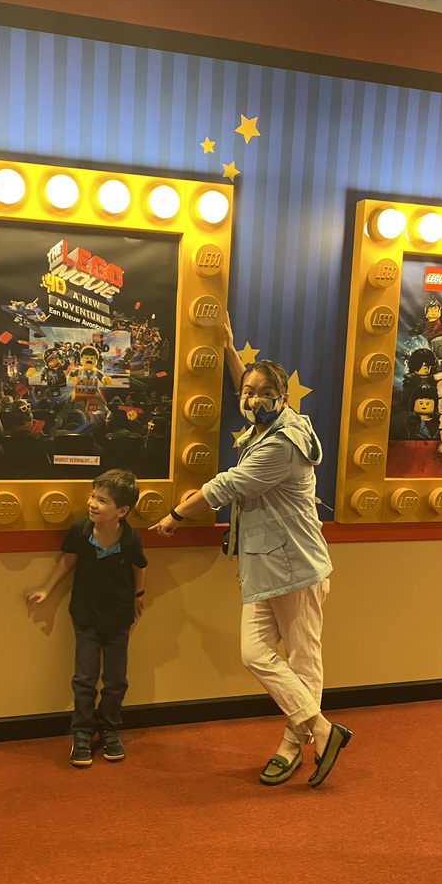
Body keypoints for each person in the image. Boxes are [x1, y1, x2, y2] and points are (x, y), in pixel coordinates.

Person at [150, 315, 352, 788]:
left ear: (282, 398)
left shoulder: (281, 444)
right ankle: (322, 731)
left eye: (265, 393)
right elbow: (247, 385)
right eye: (248, 391)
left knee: (304, 662)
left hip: (296, 565)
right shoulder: (270, 425)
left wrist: (175, 516)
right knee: (255, 653)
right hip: (265, 566)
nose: (253, 399)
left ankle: (290, 747)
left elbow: (226, 486)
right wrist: (226, 347)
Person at [26, 469, 147, 766]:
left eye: (102, 500)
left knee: (116, 680)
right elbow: (68, 562)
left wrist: (138, 596)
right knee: (84, 678)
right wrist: (47, 589)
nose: (92, 503)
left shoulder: (130, 537)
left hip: (118, 617)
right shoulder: (80, 530)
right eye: (93, 496)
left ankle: (108, 728)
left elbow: (139, 567)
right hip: (85, 615)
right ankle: (81, 731)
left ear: (121, 510)